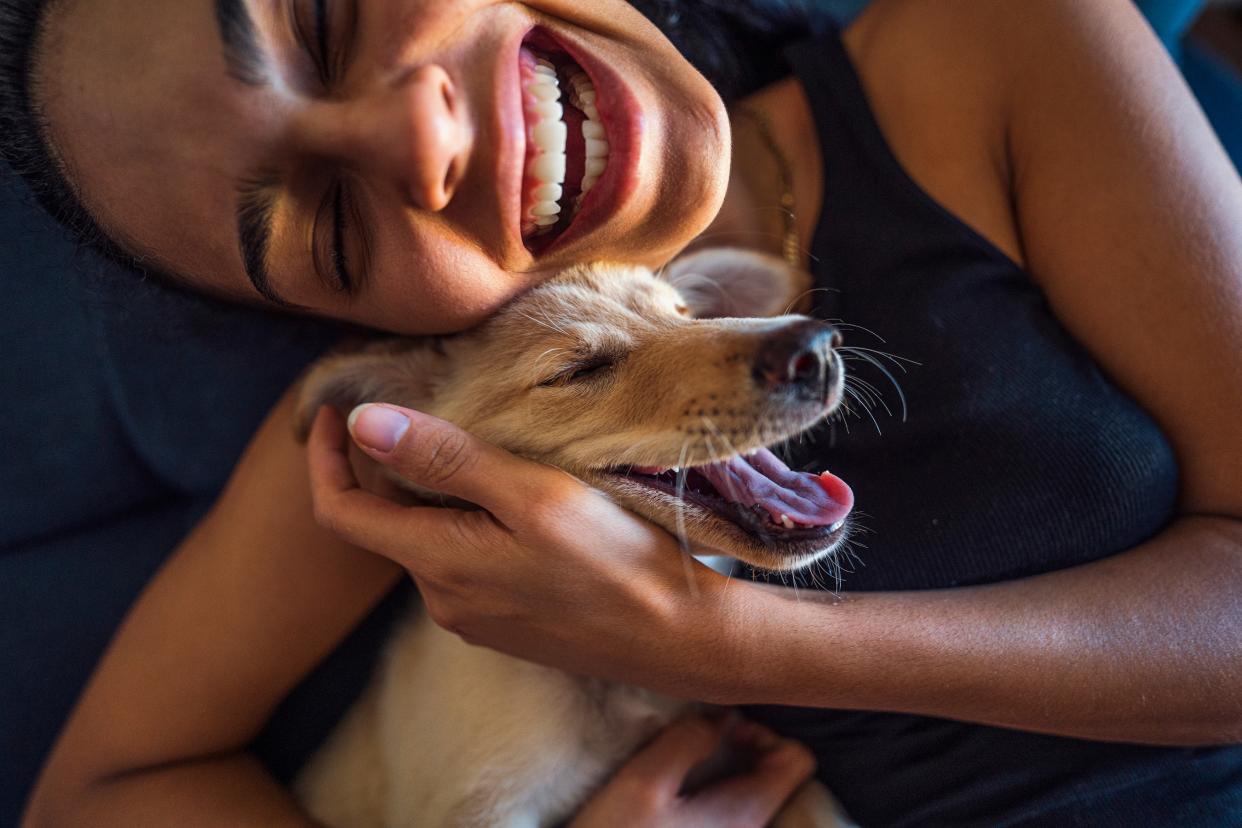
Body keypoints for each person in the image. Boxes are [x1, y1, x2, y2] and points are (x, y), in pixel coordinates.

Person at [3, 0, 1240, 825]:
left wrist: (714, 642)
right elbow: (105, 791)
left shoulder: (1005, 46)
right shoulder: (416, 419)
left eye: (325, 16)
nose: (421, 134)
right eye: (329, 223)